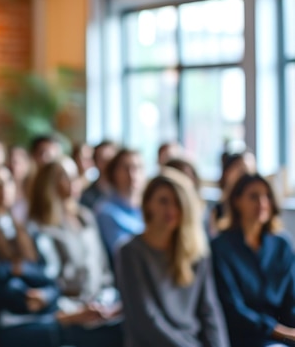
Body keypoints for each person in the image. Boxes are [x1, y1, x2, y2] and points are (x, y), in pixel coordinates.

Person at [0, 164, 123, 347]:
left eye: (8, 181)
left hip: (40, 311)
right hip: (8, 319)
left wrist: (43, 293)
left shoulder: (25, 231)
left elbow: (49, 277)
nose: (4, 188)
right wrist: (26, 296)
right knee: (73, 333)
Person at [116, 169, 230, 347]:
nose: (171, 209)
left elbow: (209, 310)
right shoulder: (130, 252)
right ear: (148, 204)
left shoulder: (196, 251)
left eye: (177, 203)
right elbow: (146, 320)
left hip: (192, 340)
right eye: (163, 201)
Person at [28, 156, 123, 345]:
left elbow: (103, 269)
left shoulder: (86, 217)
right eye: (65, 177)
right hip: (68, 311)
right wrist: (78, 311)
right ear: (49, 184)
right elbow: (52, 281)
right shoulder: (41, 227)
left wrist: (104, 301)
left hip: (100, 304)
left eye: (74, 175)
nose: (74, 182)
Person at [211, 173, 295, 347]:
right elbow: (233, 310)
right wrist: (281, 332)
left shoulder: (282, 246)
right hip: (245, 337)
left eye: (267, 196)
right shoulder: (221, 247)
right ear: (236, 201)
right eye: (254, 196)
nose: (262, 203)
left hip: (283, 336)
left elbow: (291, 301)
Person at [95, 148, 145, 261]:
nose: (133, 174)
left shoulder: (149, 208)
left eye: (138, 168)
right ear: (114, 173)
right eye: (126, 168)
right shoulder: (105, 211)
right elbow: (123, 254)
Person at [80, 140, 118, 209]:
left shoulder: (126, 192)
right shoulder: (88, 196)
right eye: (102, 159)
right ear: (95, 162)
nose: (108, 163)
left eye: (110, 158)